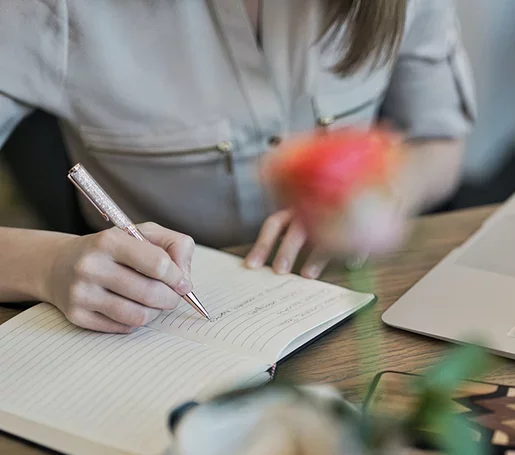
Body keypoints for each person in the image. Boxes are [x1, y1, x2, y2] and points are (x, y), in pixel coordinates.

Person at [0, 0, 476, 333]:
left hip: (356, 299)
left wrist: (382, 197)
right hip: (151, 323)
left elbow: (439, 142)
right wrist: (49, 265)